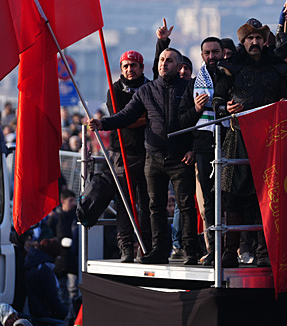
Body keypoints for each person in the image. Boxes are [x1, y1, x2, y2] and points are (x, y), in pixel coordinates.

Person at [90, 48, 207, 265]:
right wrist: (103, 123)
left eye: (169, 60)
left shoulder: (189, 88)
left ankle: (190, 251)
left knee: (185, 206)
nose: (164, 64)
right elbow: (126, 115)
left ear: (179, 66)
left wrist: (193, 148)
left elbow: (198, 123)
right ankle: (159, 250)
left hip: (180, 157)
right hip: (153, 157)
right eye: (161, 60)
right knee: (155, 206)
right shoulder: (147, 90)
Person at [213, 20, 287, 268]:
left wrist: (284, 103)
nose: (255, 42)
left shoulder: (278, 67)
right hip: (238, 139)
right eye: (250, 38)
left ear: (265, 41)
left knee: (266, 196)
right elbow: (216, 101)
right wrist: (226, 107)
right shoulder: (230, 68)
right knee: (232, 198)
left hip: (269, 141)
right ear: (243, 42)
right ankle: (229, 252)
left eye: (258, 38)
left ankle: (263, 252)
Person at [105, 50, 152, 263]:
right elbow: (120, 120)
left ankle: (146, 246)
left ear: (141, 68)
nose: (129, 70)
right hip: (123, 152)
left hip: (148, 151)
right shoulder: (114, 89)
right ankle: (125, 247)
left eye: (133, 65)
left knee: (148, 202)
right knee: (124, 203)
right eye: (125, 66)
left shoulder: (150, 87)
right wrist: (145, 118)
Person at [193, 36, 225, 266]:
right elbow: (183, 117)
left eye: (216, 52)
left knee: (229, 199)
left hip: (228, 139)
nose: (212, 56)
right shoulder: (194, 83)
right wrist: (195, 108)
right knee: (209, 201)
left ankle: (230, 249)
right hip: (203, 144)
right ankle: (213, 248)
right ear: (202, 55)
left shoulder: (231, 76)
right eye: (208, 53)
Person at [44, 189, 78, 305]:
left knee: (73, 289)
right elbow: (49, 234)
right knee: (60, 289)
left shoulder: (76, 217)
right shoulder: (55, 218)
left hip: (73, 258)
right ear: (63, 201)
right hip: (59, 259)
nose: (73, 203)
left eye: (74, 200)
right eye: (71, 200)